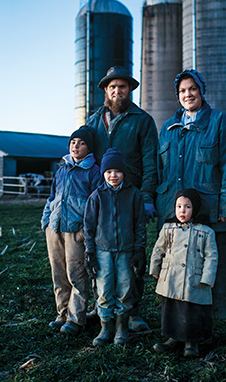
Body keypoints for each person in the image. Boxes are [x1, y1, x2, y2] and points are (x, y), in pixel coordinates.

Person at [156, 69, 226, 319]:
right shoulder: (169, 128)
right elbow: (161, 171)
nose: (187, 94)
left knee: (209, 269)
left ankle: (209, 324)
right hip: (174, 212)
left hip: (208, 212)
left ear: (202, 91)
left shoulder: (218, 122)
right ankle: (174, 326)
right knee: (175, 270)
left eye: (192, 88)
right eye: (182, 91)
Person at [86, 66, 158, 331]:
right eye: (112, 87)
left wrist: (147, 196)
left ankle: (133, 311)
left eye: (123, 87)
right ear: (106, 90)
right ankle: (101, 306)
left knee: (131, 254)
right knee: (100, 253)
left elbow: (151, 160)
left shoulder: (142, 120)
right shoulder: (94, 120)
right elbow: (84, 155)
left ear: (130, 90)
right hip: (102, 198)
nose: (117, 91)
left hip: (132, 196)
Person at [41, 125, 103, 336]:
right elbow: (51, 198)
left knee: (76, 273)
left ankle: (76, 319)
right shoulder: (62, 169)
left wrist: (86, 230)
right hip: (55, 228)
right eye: (73, 142)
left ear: (89, 148)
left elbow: (95, 203)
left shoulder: (93, 172)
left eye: (82, 143)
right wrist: (46, 221)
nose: (76, 146)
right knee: (58, 273)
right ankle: (62, 312)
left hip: (76, 231)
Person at [83, 148, 147, 346]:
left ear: (124, 172)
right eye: (108, 171)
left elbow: (140, 225)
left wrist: (139, 251)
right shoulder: (97, 196)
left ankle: (121, 328)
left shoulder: (134, 195)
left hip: (126, 251)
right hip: (103, 251)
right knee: (104, 289)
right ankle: (106, 327)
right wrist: (90, 252)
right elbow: (89, 226)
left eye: (117, 171)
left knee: (126, 288)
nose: (113, 175)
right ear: (103, 173)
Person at [150, 189, 218, 358]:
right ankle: (173, 338)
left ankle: (191, 342)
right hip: (171, 277)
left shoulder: (206, 232)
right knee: (172, 308)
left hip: (193, 280)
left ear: (195, 208)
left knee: (191, 310)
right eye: (179, 206)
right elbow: (158, 250)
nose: (182, 210)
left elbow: (212, 257)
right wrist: (155, 269)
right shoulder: (168, 228)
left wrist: (207, 278)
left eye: (187, 207)